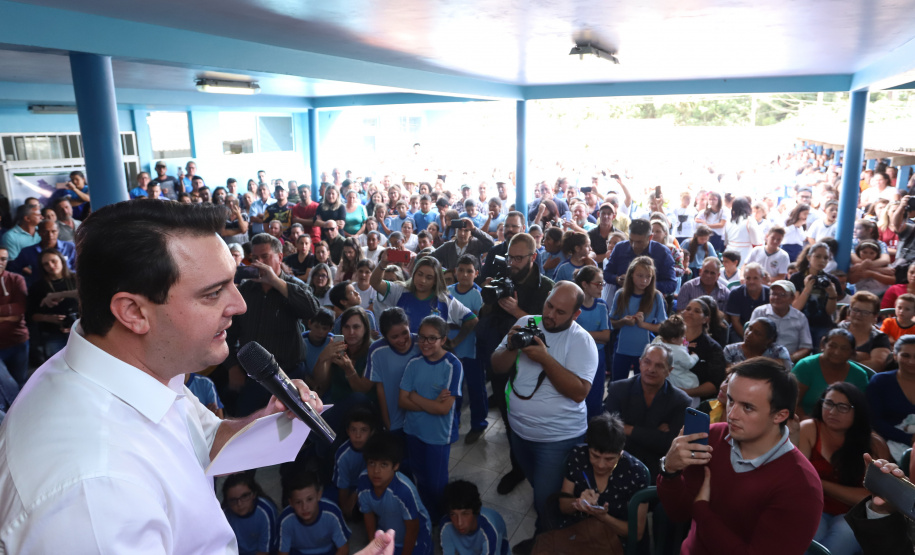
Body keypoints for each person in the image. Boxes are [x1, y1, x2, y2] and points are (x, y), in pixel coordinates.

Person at [0, 200, 334, 553]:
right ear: (133, 312)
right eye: (213, 292)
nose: (239, 305)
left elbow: (200, 440)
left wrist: (266, 418)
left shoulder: (137, 366)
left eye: (233, 283)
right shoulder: (94, 492)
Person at [657, 357, 823, 554]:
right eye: (730, 400)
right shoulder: (712, 437)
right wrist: (670, 470)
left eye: (747, 407)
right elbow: (678, 512)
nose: (732, 414)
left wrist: (702, 511)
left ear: (780, 415)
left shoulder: (801, 486)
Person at [490, 282, 598, 544]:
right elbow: (497, 366)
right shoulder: (526, 322)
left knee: (547, 501)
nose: (550, 315)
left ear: (575, 314)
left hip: (558, 439)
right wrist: (511, 347)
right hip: (519, 432)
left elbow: (579, 393)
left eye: (561, 312)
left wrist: (545, 359)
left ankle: (546, 542)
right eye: (549, 305)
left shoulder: (582, 341)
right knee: (539, 486)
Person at [226, 233, 321, 415]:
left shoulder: (294, 286)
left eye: (265, 257)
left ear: (280, 257)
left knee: (291, 423)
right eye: (255, 258)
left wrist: (276, 282)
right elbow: (229, 332)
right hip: (253, 377)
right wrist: (232, 366)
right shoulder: (245, 290)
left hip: (289, 374)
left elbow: (312, 310)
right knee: (250, 423)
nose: (259, 262)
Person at [797, 384, 890, 555]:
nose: (833, 412)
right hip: (814, 506)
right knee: (811, 531)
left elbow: (871, 498)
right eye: (828, 403)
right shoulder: (809, 428)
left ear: (858, 411)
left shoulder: (874, 444)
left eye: (843, 407)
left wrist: (819, 483)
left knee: (847, 533)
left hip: (853, 514)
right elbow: (799, 480)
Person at [538, 414, 649, 554]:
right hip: (579, 529)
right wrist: (578, 502)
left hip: (614, 537)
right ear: (588, 448)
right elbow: (563, 507)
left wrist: (603, 517)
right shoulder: (578, 456)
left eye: (609, 459)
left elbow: (636, 533)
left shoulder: (635, 473)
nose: (601, 465)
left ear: (620, 453)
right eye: (595, 456)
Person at [399, 315, 463, 521]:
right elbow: (402, 401)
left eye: (432, 338)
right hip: (414, 430)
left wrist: (416, 396)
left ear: (443, 340)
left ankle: (443, 518)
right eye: (422, 337)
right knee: (421, 478)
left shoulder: (453, 365)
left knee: (437, 484)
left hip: (438, 435)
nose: (425, 343)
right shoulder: (414, 363)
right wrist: (431, 404)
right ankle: (429, 518)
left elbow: (443, 409)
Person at [605, 343, 691, 480]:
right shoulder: (618, 389)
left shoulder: (680, 401)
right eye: (647, 362)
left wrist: (628, 429)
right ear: (640, 363)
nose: (651, 369)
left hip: (659, 469)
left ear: (669, 370)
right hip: (619, 463)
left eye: (659, 365)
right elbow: (609, 434)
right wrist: (655, 433)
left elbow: (670, 445)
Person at [357, 432, 432, 555]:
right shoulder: (363, 481)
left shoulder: (404, 491)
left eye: (384, 464)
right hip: (389, 530)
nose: (376, 471)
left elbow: (413, 529)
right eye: (372, 463)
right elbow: (368, 514)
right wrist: (373, 547)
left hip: (417, 536)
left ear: (396, 466)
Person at [447, 255, 488, 444]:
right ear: (455, 271)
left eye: (469, 271)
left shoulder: (478, 295)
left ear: (476, 273)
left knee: (475, 388)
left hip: (472, 350)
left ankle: (478, 424)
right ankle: (453, 422)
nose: (464, 275)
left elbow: (477, 322)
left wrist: (461, 324)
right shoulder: (448, 291)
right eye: (461, 270)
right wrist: (462, 323)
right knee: (452, 388)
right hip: (450, 349)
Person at [609, 256, 667, 382]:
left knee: (643, 384)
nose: (644, 280)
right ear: (631, 275)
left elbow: (663, 327)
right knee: (617, 383)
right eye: (640, 276)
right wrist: (623, 321)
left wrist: (643, 324)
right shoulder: (621, 294)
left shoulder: (656, 296)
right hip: (622, 348)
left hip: (646, 350)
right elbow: (611, 323)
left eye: (648, 277)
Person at [366, 307, 421, 438]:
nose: (401, 340)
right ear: (385, 336)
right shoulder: (377, 350)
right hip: (395, 421)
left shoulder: (421, 344)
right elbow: (380, 388)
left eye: (404, 333)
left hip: (422, 418)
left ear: (409, 325)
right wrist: (387, 422)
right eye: (394, 337)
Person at [867, 335, 915, 463]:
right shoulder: (880, 382)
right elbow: (874, 420)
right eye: (906, 356)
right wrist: (908, 439)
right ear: (895, 356)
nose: (911, 361)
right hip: (885, 444)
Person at [279, 470, 351, 555]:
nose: (304, 507)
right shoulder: (286, 520)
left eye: (309, 499)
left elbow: (343, 549)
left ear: (319, 495)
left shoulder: (332, 513)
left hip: (328, 551)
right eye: (298, 502)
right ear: (291, 503)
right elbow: (283, 552)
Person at [572, 265, 611, 419]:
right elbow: (570, 334)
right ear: (585, 284)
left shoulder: (601, 305)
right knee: (576, 394)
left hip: (597, 355)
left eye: (602, 283)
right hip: (576, 355)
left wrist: (581, 333)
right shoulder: (573, 305)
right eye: (598, 284)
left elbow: (606, 336)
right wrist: (595, 335)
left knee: (595, 395)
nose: (601, 287)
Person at [27, 248, 79, 359]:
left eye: (54, 261)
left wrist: (76, 323)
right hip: (52, 334)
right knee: (57, 366)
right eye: (46, 264)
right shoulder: (37, 287)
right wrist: (48, 318)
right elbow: (31, 315)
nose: (51, 266)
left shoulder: (77, 279)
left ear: (62, 260)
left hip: (80, 332)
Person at [604, 219, 678, 295]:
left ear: (650, 237)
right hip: (623, 298)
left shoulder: (662, 252)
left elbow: (671, 284)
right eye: (631, 240)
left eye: (639, 242)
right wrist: (617, 279)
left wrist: (646, 284)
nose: (634, 245)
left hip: (650, 299)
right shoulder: (620, 248)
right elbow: (606, 273)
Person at [750, 280, 814, 363]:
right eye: (773, 294)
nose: (777, 298)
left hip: (790, 361)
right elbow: (750, 341)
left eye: (782, 295)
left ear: (792, 298)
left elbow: (806, 347)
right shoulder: (759, 312)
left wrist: (789, 359)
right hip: (761, 360)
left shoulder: (800, 318)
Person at [440, 480, 509, 555]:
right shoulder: (446, 524)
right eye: (453, 514)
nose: (459, 523)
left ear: (476, 511)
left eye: (465, 514)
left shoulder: (489, 531)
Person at [680, 298, 728, 401]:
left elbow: (714, 384)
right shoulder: (669, 339)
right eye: (688, 309)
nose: (690, 312)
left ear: (705, 319)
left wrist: (686, 393)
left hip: (697, 400)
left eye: (697, 311)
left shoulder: (713, 348)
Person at [334, 407, 377, 519]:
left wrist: (358, 492)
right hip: (348, 487)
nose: (358, 435)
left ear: (371, 432)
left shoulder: (376, 450)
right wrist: (345, 509)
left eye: (363, 430)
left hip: (369, 484)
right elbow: (343, 485)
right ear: (348, 431)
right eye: (353, 430)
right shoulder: (343, 455)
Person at [222, 473, 279, 555]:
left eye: (244, 496)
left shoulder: (265, 512)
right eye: (233, 500)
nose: (239, 504)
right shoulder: (224, 515)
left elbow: (265, 550)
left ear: (254, 494)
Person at [836, 291, 892, 373]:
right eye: (855, 310)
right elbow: (827, 356)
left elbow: (877, 365)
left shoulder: (879, 337)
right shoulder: (838, 329)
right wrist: (860, 356)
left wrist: (844, 361)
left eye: (865, 312)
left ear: (875, 316)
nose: (858, 315)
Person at [0, 247, 29, 387]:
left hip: (18, 340)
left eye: (3, 259)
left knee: (21, 383)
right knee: (6, 388)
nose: (0, 262)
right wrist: (8, 316)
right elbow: (15, 311)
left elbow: (21, 308)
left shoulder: (16, 279)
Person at [723, 317, 793, 371]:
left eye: (757, 333)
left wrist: (738, 366)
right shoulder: (730, 350)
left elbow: (786, 369)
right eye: (749, 328)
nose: (749, 334)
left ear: (768, 340)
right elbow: (727, 372)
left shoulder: (778, 351)